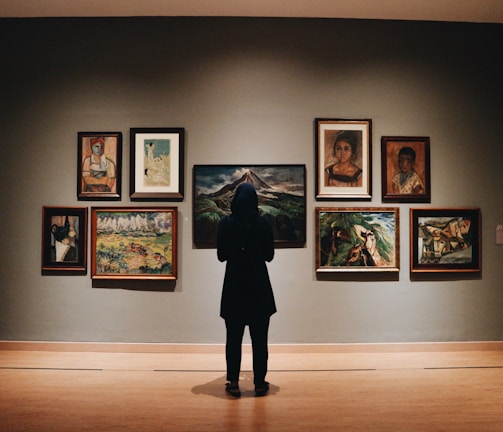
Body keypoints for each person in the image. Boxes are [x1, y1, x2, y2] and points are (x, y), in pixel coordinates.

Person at [217, 183, 276, 398]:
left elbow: (221, 255)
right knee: (260, 340)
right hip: (259, 286)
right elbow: (269, 256)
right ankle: (259, 382)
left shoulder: (225, 223)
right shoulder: (263, 224)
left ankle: (233, 382)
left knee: (233, 339)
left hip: (234, 286)